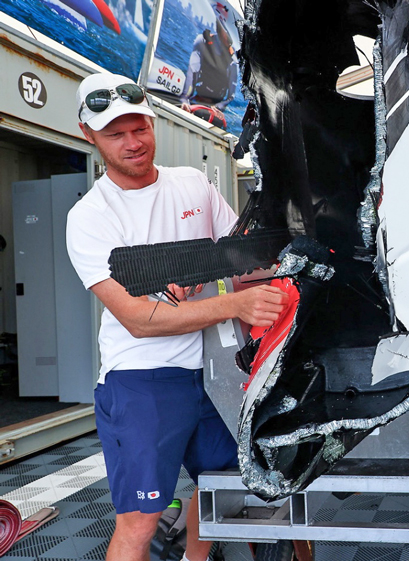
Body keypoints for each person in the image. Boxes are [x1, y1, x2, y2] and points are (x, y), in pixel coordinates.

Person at [66, 72, 288, 561]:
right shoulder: (90, 216)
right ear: (89, 135)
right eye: (114, 134)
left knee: (224, 487)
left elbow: (245, 265)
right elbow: (139, 320)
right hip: (141, 381)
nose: (132, 142)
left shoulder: (192, 185)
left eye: (139, 128)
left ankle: (194, 557)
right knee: (140, 519)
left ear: (153, 121)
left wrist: (290, 259)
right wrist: (234, 304)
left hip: (212, 375)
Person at [179, 1, 237, 123]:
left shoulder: (233, 60)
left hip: (216, 108)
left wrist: (219, 107)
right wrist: (185, 99)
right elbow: (192, 72)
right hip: (197, 99)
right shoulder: (202, 41)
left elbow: (231, 96)